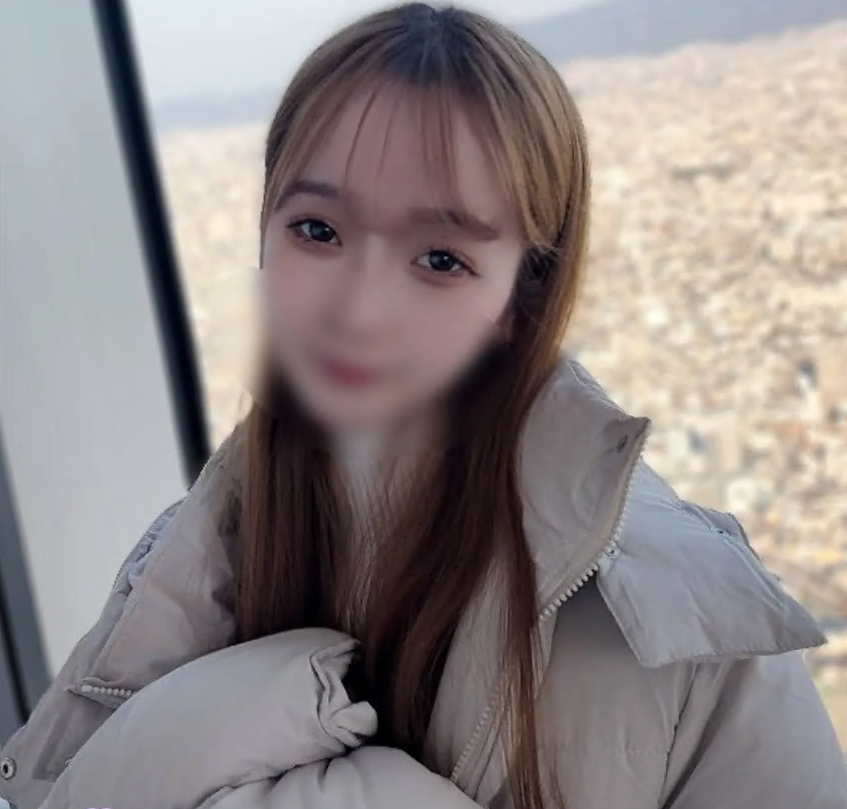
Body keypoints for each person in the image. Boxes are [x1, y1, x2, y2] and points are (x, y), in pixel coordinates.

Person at [1, 4, 845, 808]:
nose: (358, 309)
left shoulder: (689, 630)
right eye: (317, 231)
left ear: (522, 298)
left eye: (440, 258)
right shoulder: (181, 563)